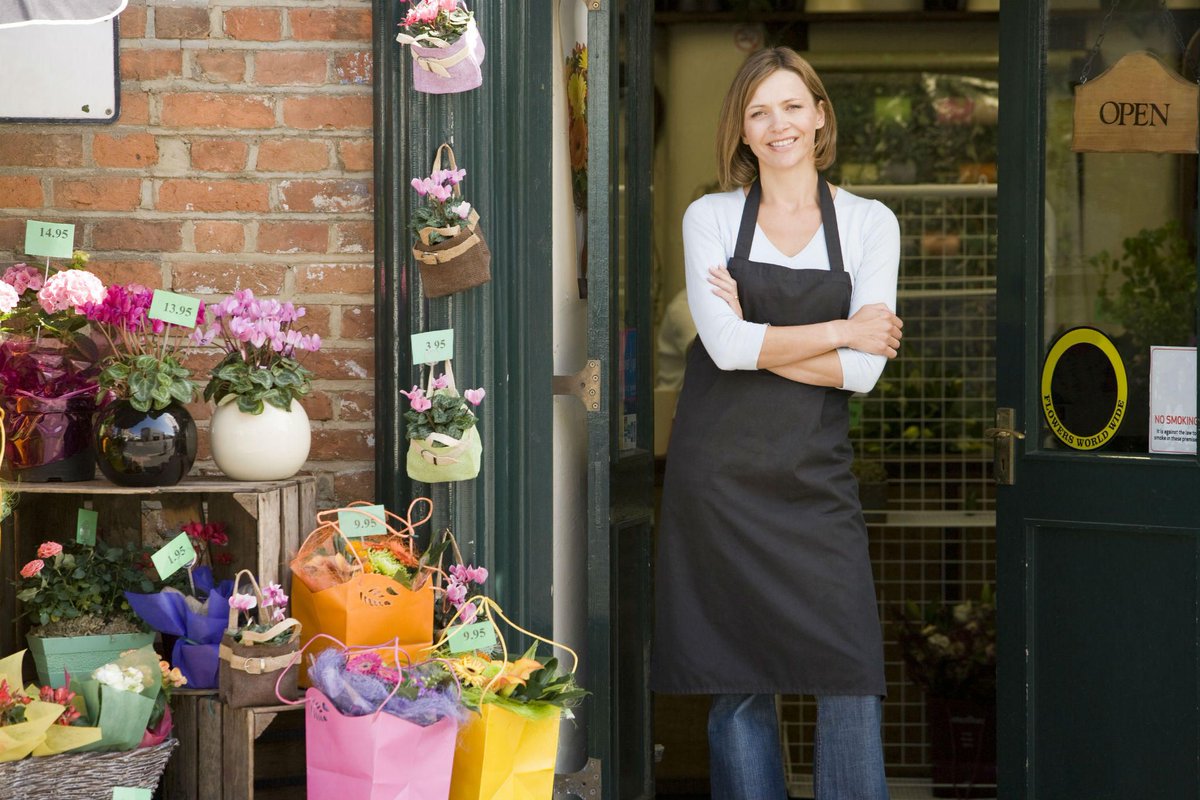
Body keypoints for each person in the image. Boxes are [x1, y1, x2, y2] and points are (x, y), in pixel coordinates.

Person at [651, 46, 903, 800]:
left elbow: (863, 373)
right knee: (738, 681)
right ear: (742, 131)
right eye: (759, 112)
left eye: (792, 106)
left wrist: (763, 337)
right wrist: (840, 329)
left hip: (814, 483)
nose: (778, 124)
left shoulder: (867, 223)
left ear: (820, 116)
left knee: (850, 673)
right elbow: (724, 351)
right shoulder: (712, 218)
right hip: (721, 486)